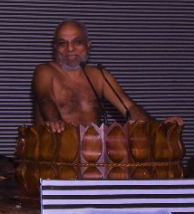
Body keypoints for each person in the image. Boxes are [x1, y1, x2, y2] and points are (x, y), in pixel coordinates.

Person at [32, 20, 182, 132]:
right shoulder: (45, 71)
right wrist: (56, 122)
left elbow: (129, 108)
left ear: (88, 44)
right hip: (55, 152)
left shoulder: (99, 75)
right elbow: (46, 99)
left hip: (92, 154)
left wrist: (159, 126)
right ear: (55, 48)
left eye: (77, 42)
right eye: (62, 43)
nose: (70, 49)